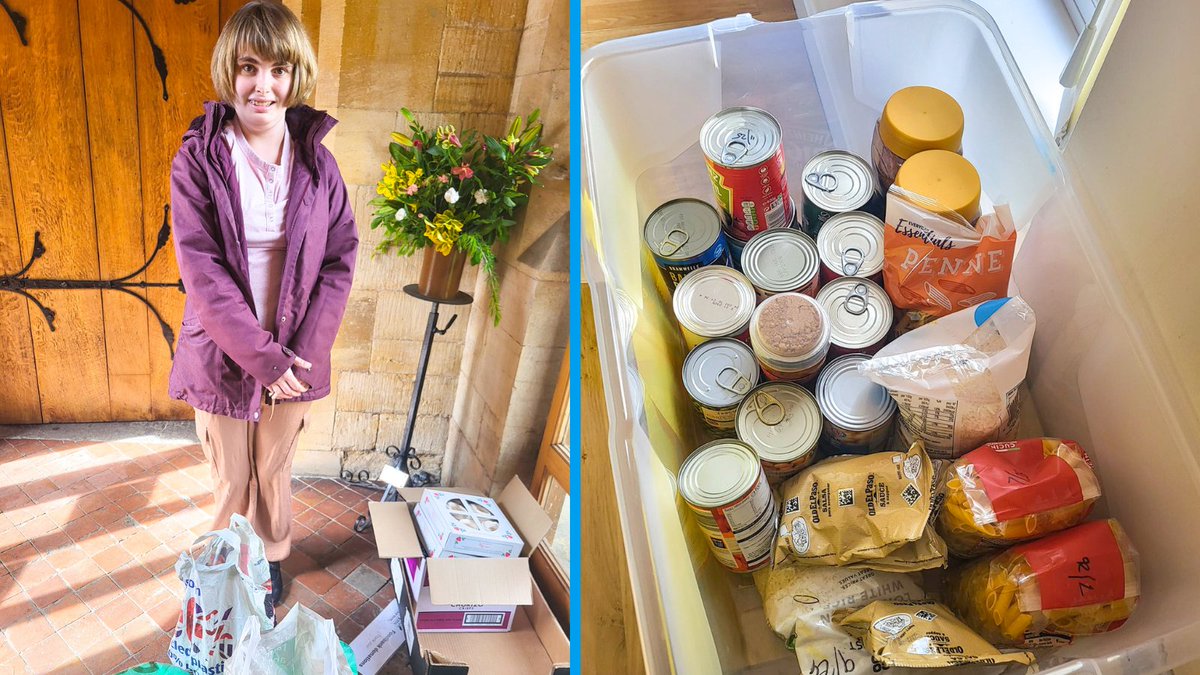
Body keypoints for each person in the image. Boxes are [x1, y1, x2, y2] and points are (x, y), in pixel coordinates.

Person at [168, 0, 357, 610]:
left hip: (297, 354)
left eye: (278, 70)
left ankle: (272, 559)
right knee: (232, 475)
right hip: (225, 352)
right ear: (231, 72)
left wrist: (295, 358)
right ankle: (227, 566)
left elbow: (340, 258)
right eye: (249, 67)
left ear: (294, 75)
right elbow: (203, 271)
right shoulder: (198, 160)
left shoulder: (318, 165)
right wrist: (263, 360)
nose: (264, 85)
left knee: (274, 469)